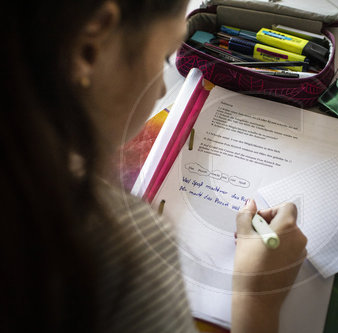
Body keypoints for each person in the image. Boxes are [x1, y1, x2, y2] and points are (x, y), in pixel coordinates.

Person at [1, 1, 308, 332]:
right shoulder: (119, 249)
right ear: (89, 50)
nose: (163, 89)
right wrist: (256, 300)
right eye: (164, 57)